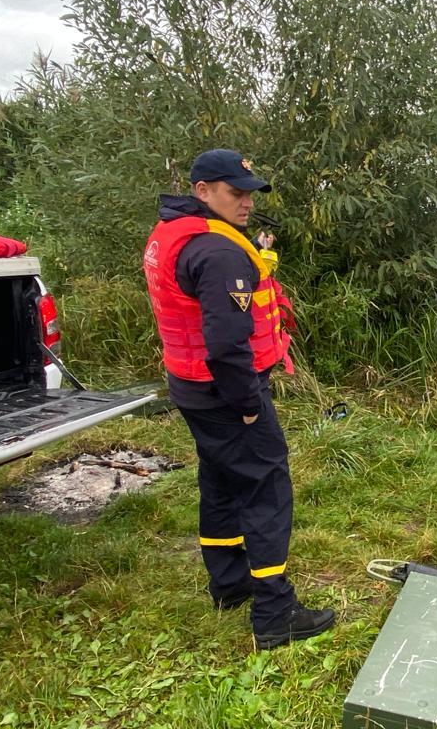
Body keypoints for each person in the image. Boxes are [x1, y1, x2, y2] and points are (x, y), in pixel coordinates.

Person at [143, 148, 335, 649]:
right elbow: (227, 345)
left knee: (221, 479)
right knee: (267, 487)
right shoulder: (220, 250)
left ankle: (229, 584)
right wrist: (249, 401)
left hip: (189, 386)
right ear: (203, 191)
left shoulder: (174, 233)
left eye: (249, 193)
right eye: (235, 193)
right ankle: (275, 614)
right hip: (226, 391)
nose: (246, 202)